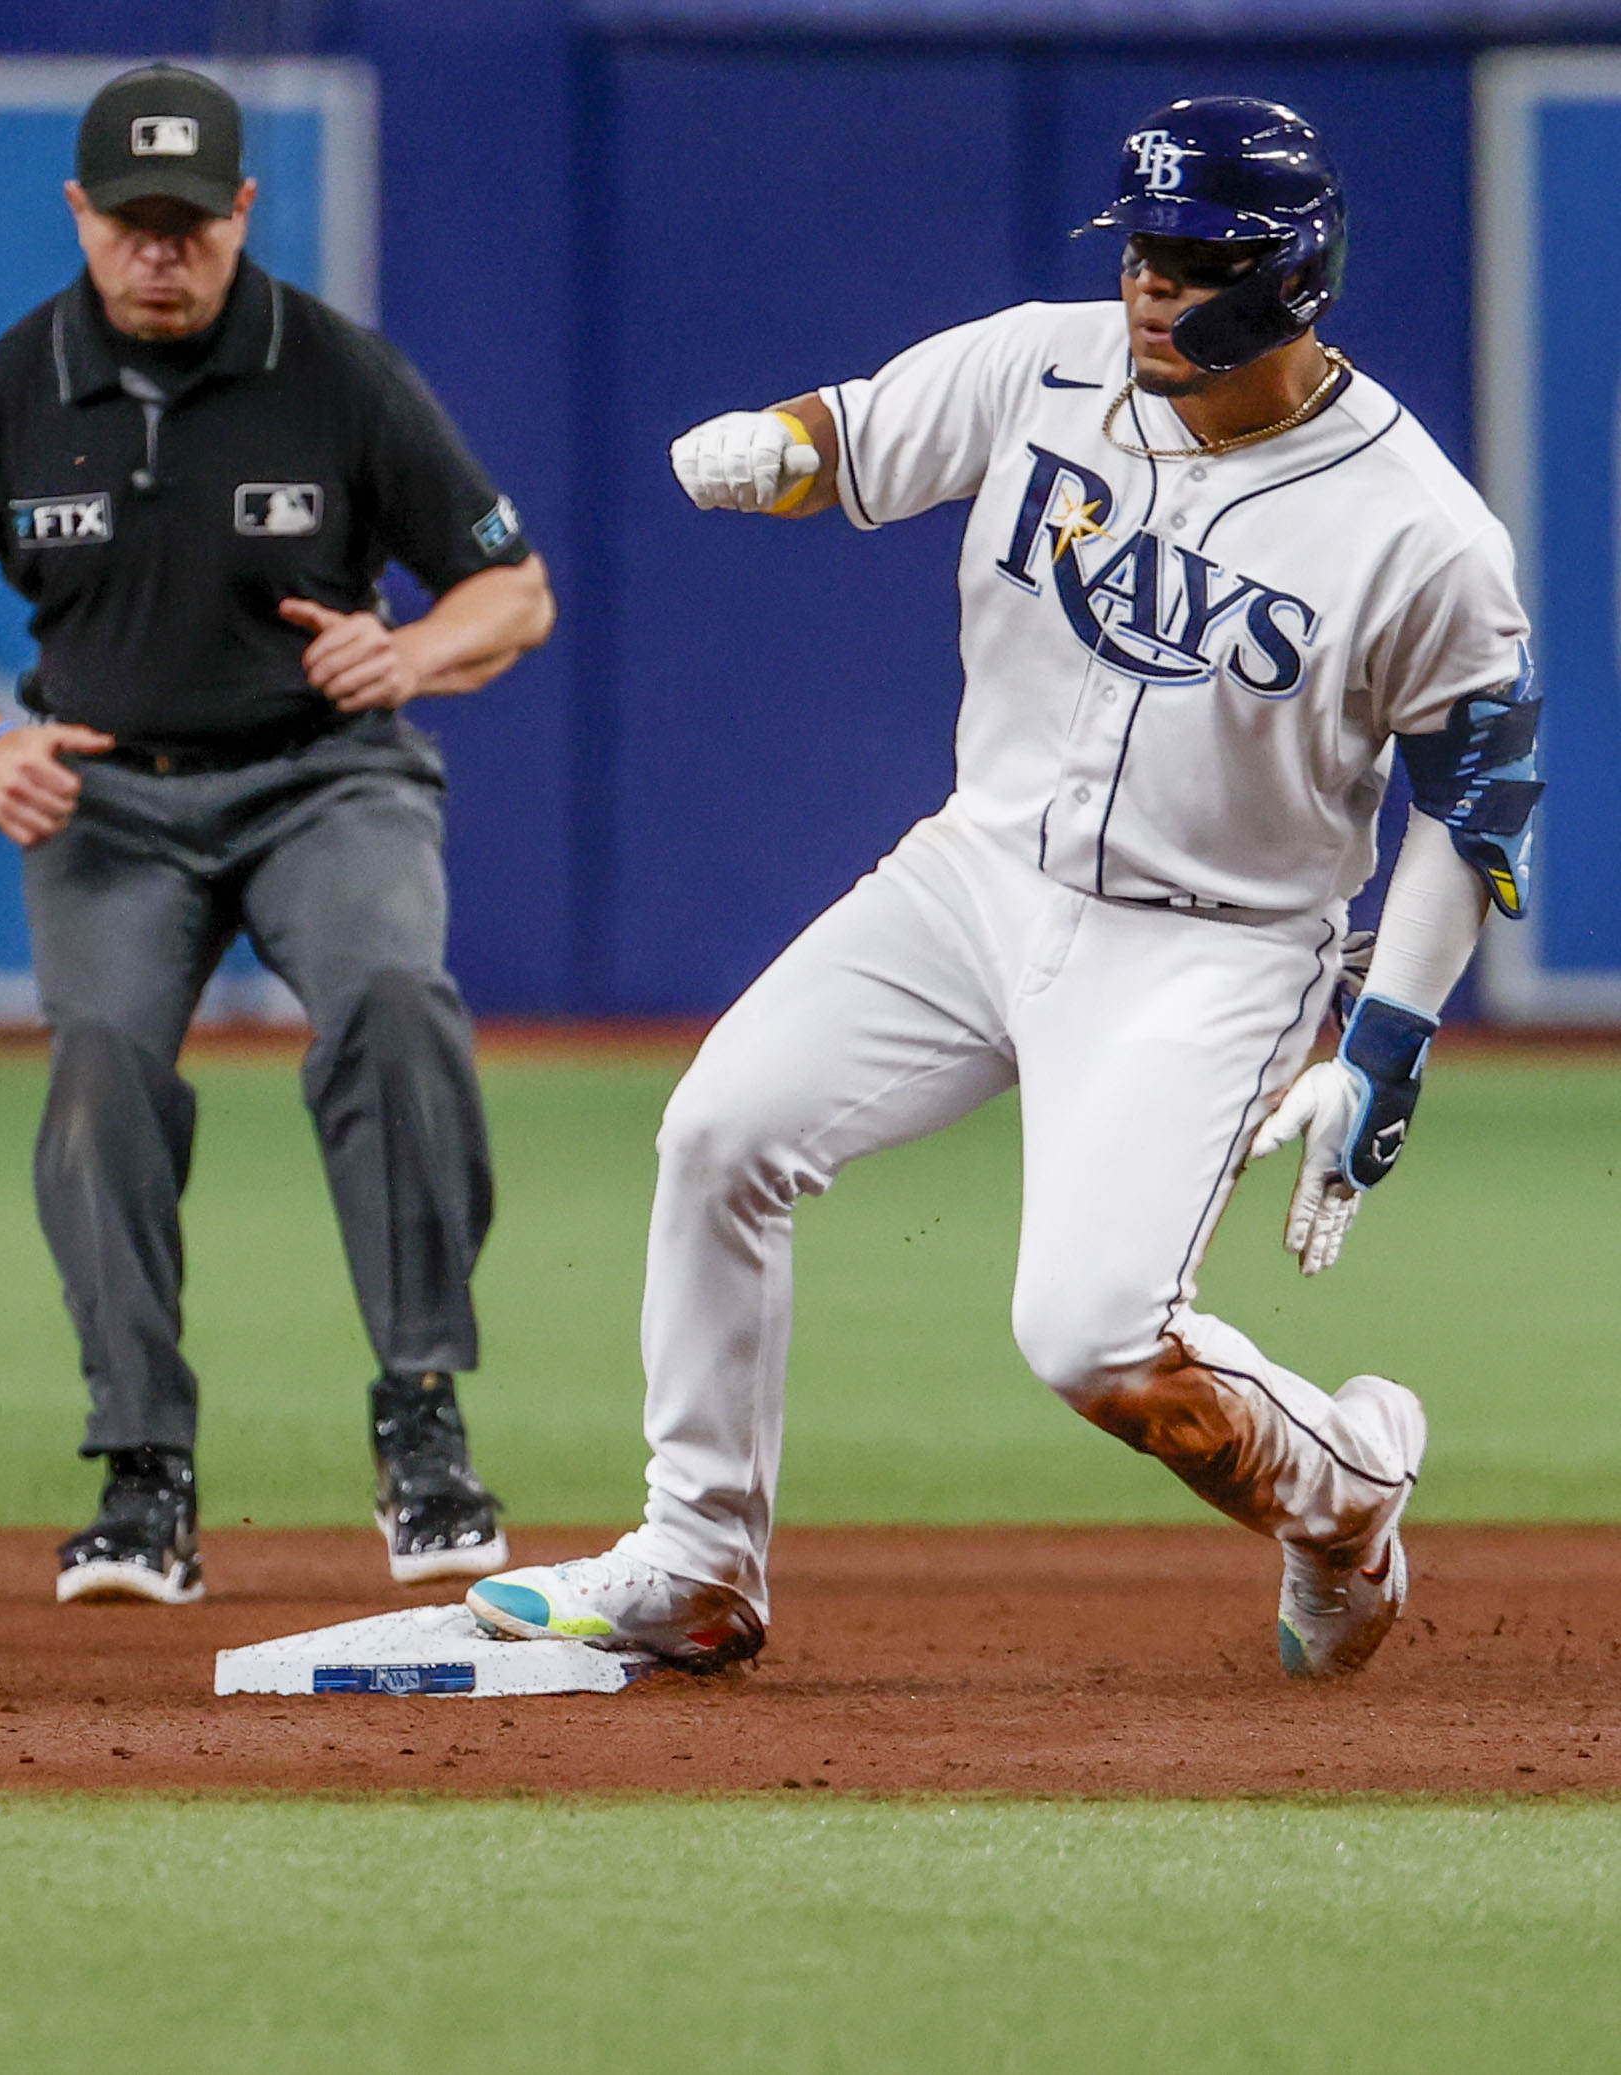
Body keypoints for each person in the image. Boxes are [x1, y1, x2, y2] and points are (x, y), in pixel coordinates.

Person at [470, 97, 1542, 1679]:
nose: (1150, 290)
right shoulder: (1049, 359)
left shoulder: (1424, 533)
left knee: (1094, 1340)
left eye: (1192, 261)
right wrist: (774, 449)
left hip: (1214, 946)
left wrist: (1388, 1036)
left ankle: (1347, 1488)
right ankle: (699, 1558)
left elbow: (1473, 800)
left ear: (1294, 277)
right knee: (720, 1130)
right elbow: (850, 431)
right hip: (980, 873)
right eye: (1140, 253)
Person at [0, 63, 558, 1603]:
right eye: (130, 221)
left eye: (188, 221)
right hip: (110, 792)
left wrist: (415, 652)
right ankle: (142, 1470)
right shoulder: (12, 386)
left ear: (243, 211)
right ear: (80, 217)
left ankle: (421, 1420)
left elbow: (515, 588)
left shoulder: (337, 370)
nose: (157, 251)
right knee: (100, 1063)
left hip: (325, 775)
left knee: (391, 1005)